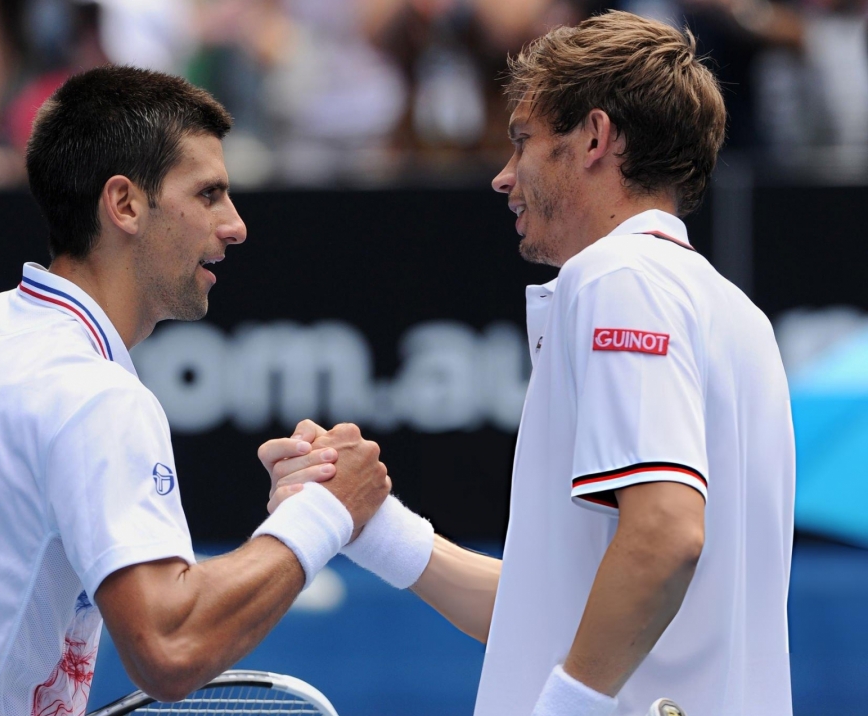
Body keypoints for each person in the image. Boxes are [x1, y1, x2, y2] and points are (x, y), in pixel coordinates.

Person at [0, 65, 391, 716]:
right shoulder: (98, 397)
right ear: (125, 204)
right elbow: (169, 645)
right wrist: (325, 514)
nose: (236, 224)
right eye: (210, 194)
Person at [263, 11, 794, 716]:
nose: (503, 176)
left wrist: (564, 710)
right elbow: (550, 622)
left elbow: (665, 534)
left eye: (523, 142)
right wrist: (376, 525)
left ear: (596, 139)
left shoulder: (617, 277)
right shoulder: (735, 314)